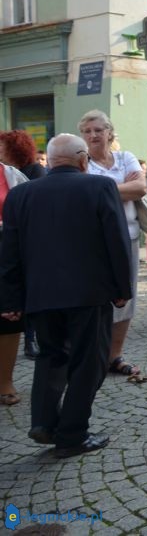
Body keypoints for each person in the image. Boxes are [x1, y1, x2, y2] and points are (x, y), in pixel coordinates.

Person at [0, 134, 131, 456]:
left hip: (41, 294)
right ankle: (72, 434)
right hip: (89, 292)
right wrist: (122, 289)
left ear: (51, 160)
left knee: (50, 357)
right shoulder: (99, 187)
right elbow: (116, 240)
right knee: (90, 363)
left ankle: (44, 423)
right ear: (84, 159)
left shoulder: (20, 194)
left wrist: (11, 299)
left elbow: (10, 252)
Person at [79, 110, 146, 379]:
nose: (93, 135)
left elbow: (141, 188)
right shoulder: (81, 163)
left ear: (109, 132)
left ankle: (114, 356)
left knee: (126, 298)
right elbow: (84, 197)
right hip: (95, 240)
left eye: (98, 129)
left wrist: (102, 190)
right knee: (98, 298)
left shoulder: (125, 157)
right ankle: (93, 355)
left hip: (128, 235)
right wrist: (120, 188)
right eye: (87, 131)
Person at [0, 130, 45, 359]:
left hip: (8, 245)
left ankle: (29, 340)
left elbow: (34, 209)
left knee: (12, 305)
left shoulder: (14, 174)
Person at [0, 160, 29, 403]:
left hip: (6, 251)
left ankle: (5, 382)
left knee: (8, 319)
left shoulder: (10, 174)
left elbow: (29, 207)